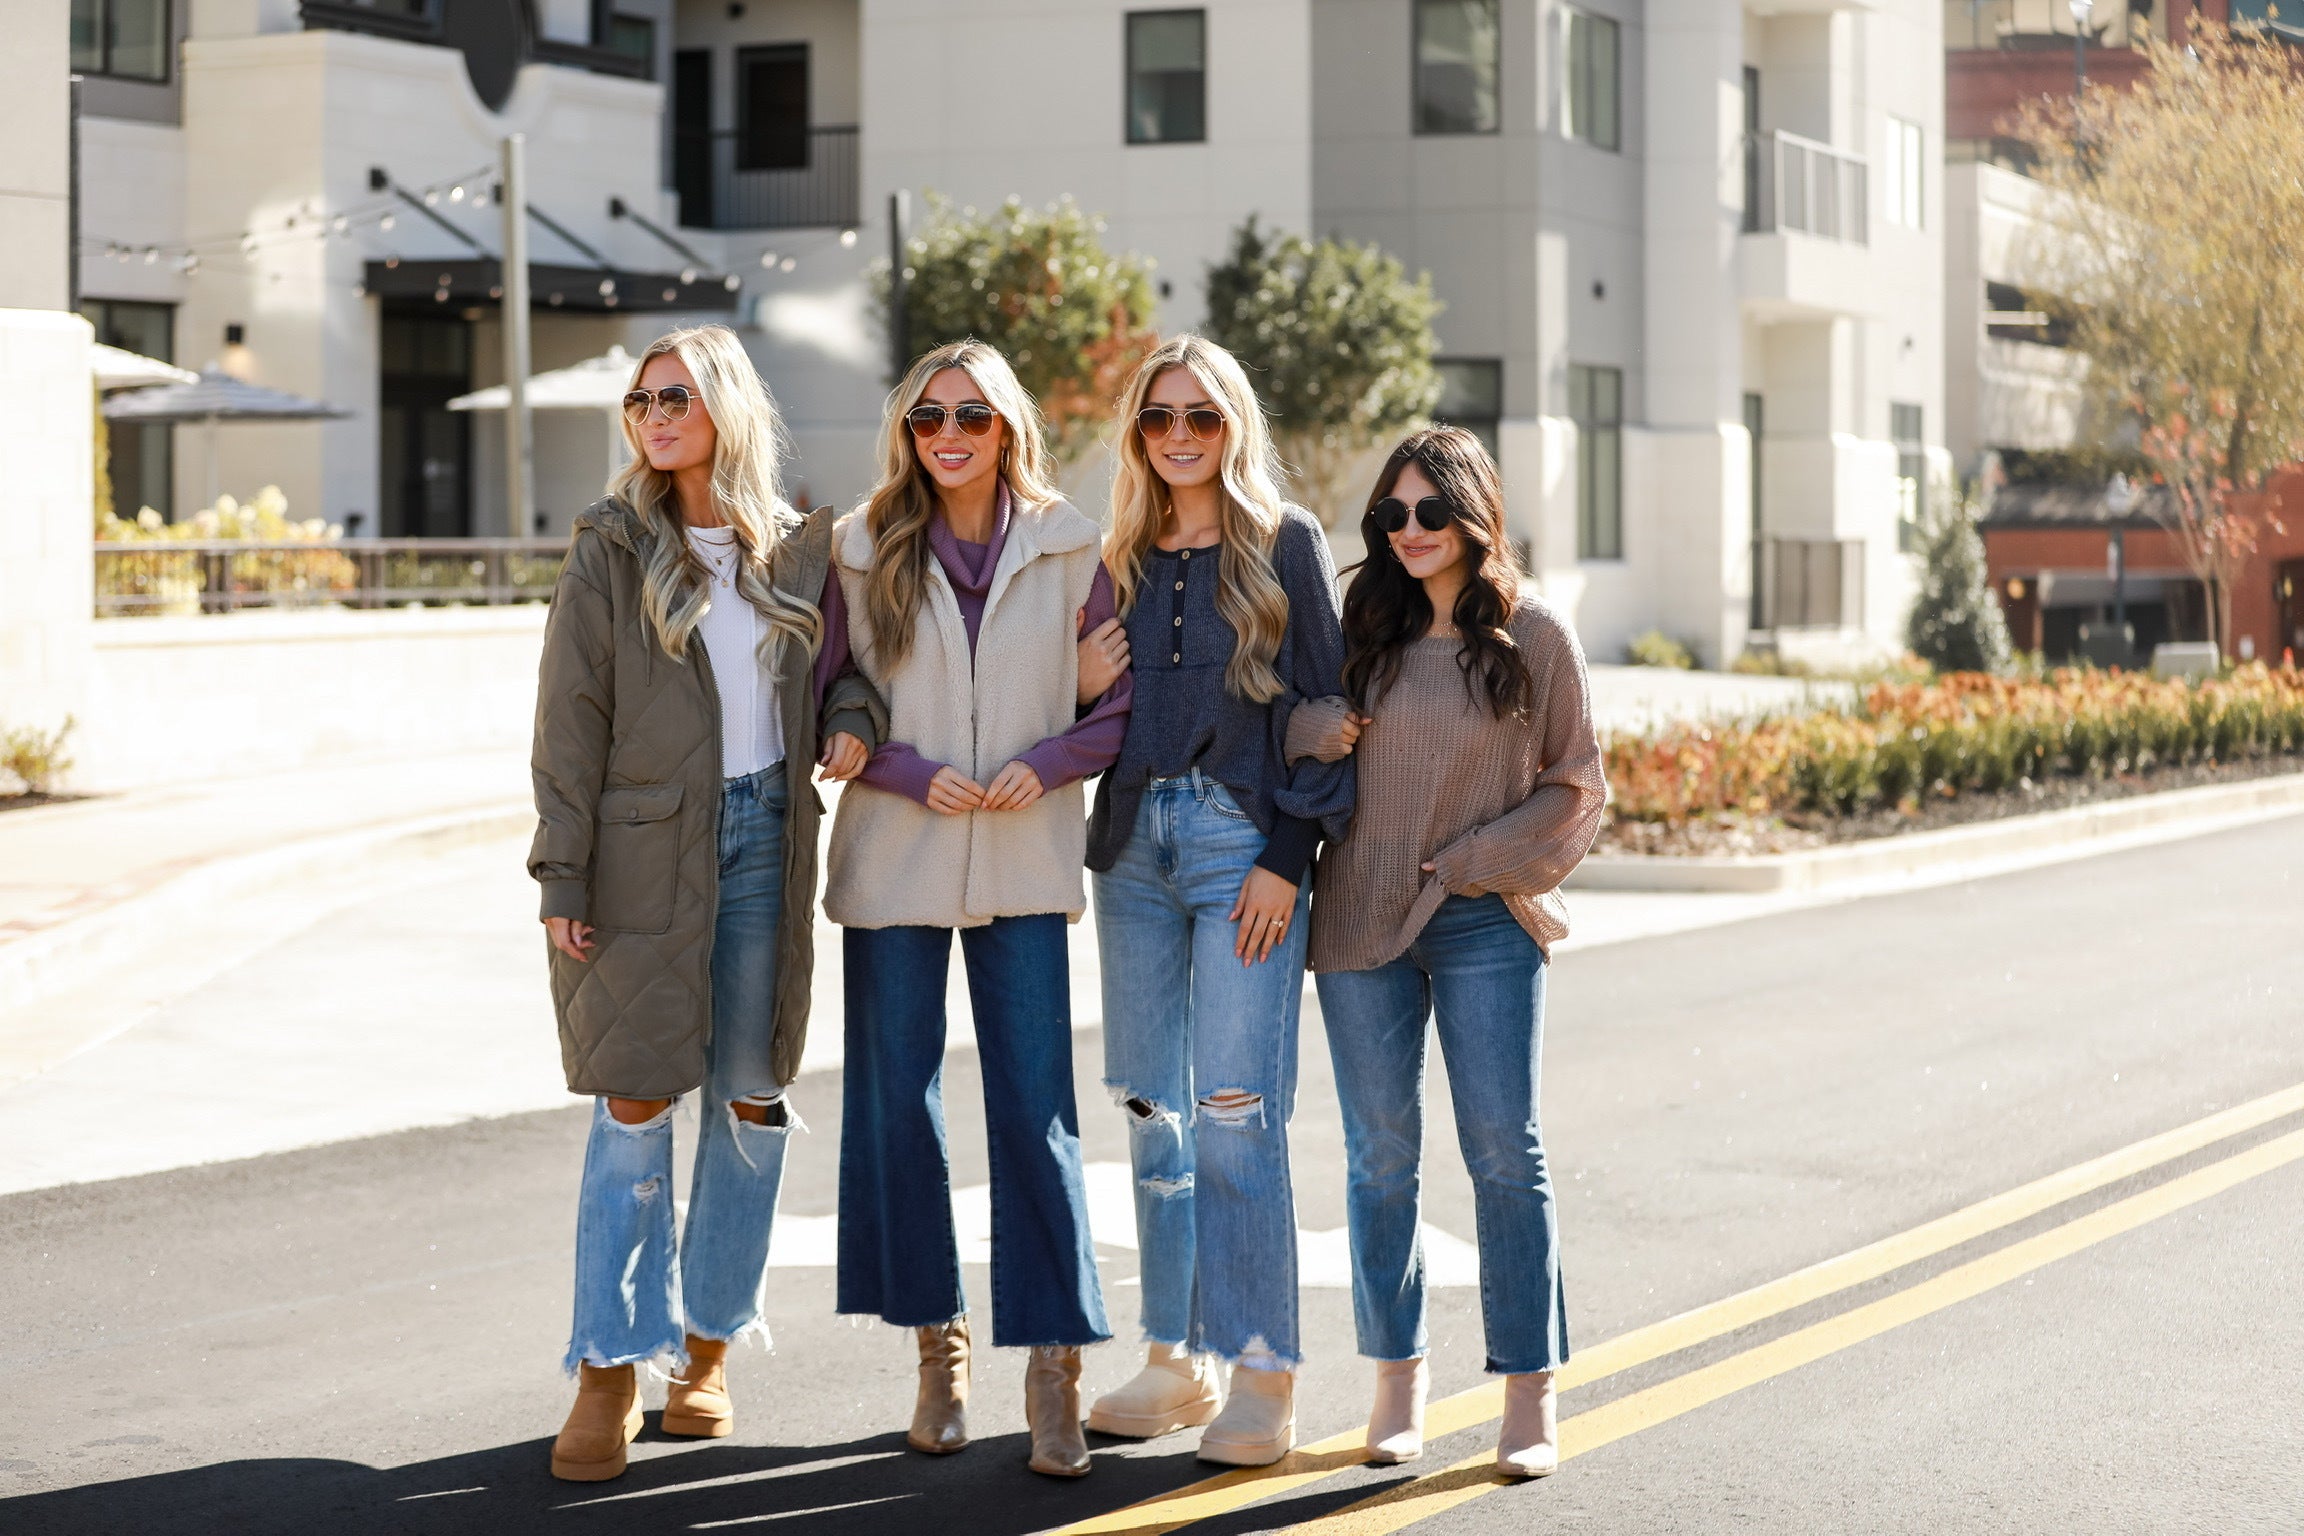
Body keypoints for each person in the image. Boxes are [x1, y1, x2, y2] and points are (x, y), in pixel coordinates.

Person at [529, 324, 885, 1482]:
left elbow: (856, 675)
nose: (654, 413)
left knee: (748, 1104)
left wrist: (854, 724)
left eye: (674, 394)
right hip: (637, 859)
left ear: (724, 404)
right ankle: (607, 1367)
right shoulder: (611, 548)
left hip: (764, 847)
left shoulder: (800, 550)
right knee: (634, 1111)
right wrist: (562, 872)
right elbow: (568, 722)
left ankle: (705, 1349)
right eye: (640, 400)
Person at [818, 338, 1130, 1479]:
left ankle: (1055, 1369)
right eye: (928, 418)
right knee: (898, 1104)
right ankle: (936, 1353)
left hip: (1025, 855)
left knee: (1035, 1111)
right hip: (894, 853)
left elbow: (1121, 709)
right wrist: (899, 769)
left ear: (1009, 429)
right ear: (908, 431)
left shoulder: (1070, 546)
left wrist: (1049, 760)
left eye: (973, 417)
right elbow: (826, 700)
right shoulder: (858, 547)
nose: (949, 435)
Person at [1288, 425, 1605, 1478]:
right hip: (1357, 918)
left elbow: (1577, 785)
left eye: (1431, 512)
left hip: (1479, 918)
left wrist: (1480, 857)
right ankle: (1397, 1381)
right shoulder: (1357, 628)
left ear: (1472, 516)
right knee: (1380, 1161)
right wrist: (1310, 731)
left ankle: (1529, 1389)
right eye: (1391, 515)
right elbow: (1287, 731)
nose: (1410, 531)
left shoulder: (1535, 636)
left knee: (1503, 1152)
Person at [1082, 335, 1354, 1467]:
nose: (1181, 437)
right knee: (1153, 1109)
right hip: (1133, 844)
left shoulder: (1286, 545)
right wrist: (1081, 681)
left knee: (1238, 1110)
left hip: (1241, 846)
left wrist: (1286, 856)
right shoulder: (1119, 555)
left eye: (1201, 416)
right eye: (1159, 419)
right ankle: (1175, 1358)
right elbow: (1074, 710)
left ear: (1232, 424)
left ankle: (1262, 1371)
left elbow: (1331, 713)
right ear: (1138, 435)